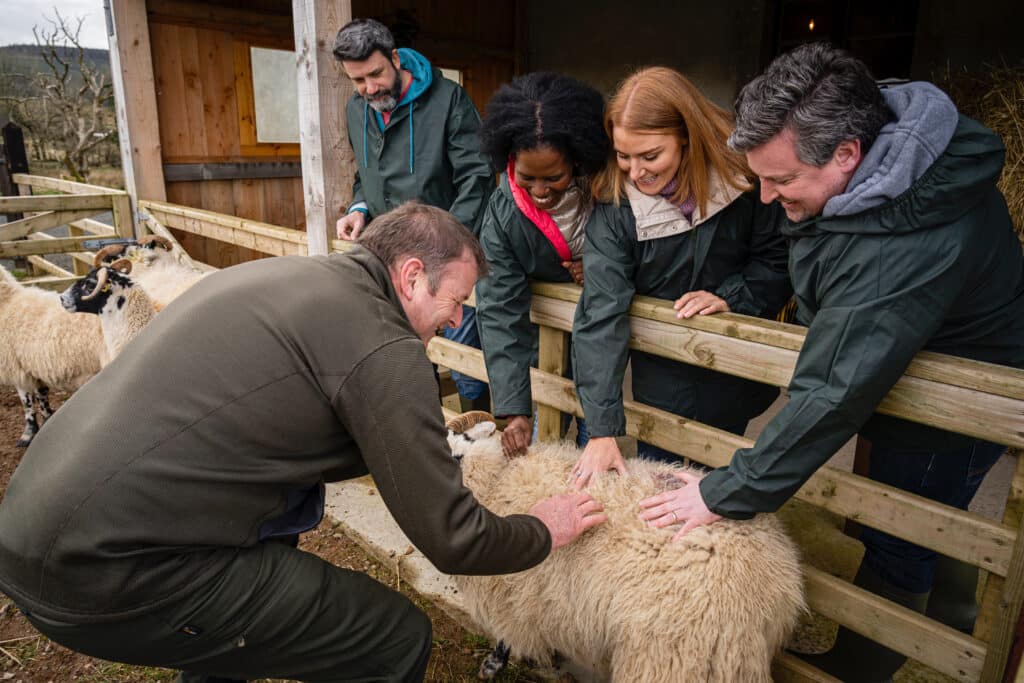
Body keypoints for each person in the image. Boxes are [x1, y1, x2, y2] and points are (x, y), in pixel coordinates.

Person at [0, 202, 606, 683]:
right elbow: (452, 538)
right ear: (413, 276)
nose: (455, 320)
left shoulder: (291, 277)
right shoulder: (384, 348)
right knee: (395, 640)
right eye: (455, 301)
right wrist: (543, 528)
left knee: (274, 544)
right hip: (99, 570)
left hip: (30, 524)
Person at [637, 43, 1024, 682]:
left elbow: (834, 387)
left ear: (847, 154)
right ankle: (950, 617)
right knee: (931, 513)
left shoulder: (907, 244)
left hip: (960, 391)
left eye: (782, 180)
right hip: (912, 350)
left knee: (909, 522)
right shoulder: (873, 145)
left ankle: (863, 665)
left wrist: (724, 491)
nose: (764, 197)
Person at [569, 66, 791, 487]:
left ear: (686, 136)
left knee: (722, 484)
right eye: (623, 155)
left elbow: (777, 258)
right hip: (662, 384)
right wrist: (601, 428)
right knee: (662, 487)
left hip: (733, 375)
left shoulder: (743, 185)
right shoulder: (616, 207)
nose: (636, 172)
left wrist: (734, 296)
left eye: (651, 156)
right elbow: (601, 311)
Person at [332, 18, 493, 411]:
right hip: (387, 257)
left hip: (443, 258)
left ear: (396, 58)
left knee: (459, 349)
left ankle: (476, 418)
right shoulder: (358, 108)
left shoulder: (448, 101)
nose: (369, 89)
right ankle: (416, 419)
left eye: (376, 74)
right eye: (358, 81)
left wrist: (449, 245)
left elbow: (478, 176)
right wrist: (359, 207)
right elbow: (366, 172)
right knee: (397, 348)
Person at [475, 72, 609, 457]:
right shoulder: (502, 215)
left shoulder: (607, 190)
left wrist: (600, 263)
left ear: (578, 160)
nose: (539, 191)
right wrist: (514, 409)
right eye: (527, 177)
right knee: (546, 431)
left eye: (554, 177)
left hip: (603, 337)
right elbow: (500, 307)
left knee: (593, 433)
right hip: (545, 340)